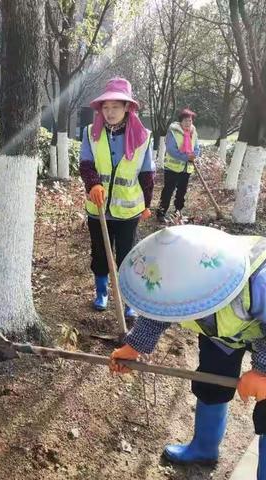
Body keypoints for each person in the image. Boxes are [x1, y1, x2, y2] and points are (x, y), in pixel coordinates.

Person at [111, 225, 265, 478]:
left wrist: (262, 371)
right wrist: (134, 346)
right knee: (210, 384)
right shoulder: (177, 273)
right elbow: (160, 308)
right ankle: (204, 448)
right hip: (223, 334)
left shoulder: (259, 280)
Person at [79, 77, 155, 317]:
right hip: (98, 207)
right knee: (100, 253)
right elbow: (86, 163)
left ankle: (128, 301)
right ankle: (101, 293)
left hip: (128, 210)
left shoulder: (143, 136)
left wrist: (147, 205)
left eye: (115, 107)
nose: (110, 112)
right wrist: (93, 185)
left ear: (127, 108)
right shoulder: (91, 132)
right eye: (106, 107)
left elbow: (147, 173)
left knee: (127, 257)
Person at [156, 108, 200, 222]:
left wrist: (195, 154)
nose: (188, 123)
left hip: (186, 169)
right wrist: (186, 157)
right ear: (181, 121)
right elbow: (171, 150)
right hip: (172, 168)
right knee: (168, 191)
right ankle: (161, 213)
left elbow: (197, 148)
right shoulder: (173, 131)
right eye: (185, 120)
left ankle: (178, 211)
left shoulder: (193, 132)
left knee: (182, 191)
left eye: (190, 121)